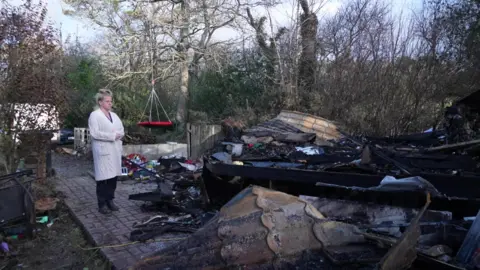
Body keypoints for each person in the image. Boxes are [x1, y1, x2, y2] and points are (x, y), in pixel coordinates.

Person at [88, 89, 125, 214]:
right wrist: (111, 136)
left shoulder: (114, 115)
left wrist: (118, 135)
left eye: (111, 101)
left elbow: (121, 130)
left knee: (113, 178)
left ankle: (110, 201)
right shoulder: (95, 115)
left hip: (114, 151)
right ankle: (102, 204)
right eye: (107, 101)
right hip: (103, 152)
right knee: (103, 179)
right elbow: (94, 133)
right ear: (100, 102)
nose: (110, 103)